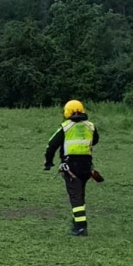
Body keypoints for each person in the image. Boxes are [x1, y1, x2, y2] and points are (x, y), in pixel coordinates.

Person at [44, 99, 101, 236]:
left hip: (71, 166)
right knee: (80, 194)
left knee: (75, 197)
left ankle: (81, 227)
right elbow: (95, 140)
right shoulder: (90, 126)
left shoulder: (65, 127)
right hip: (87, 166)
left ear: (67, 112)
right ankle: (77, 223)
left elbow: (51, 145)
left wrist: (48, 162)